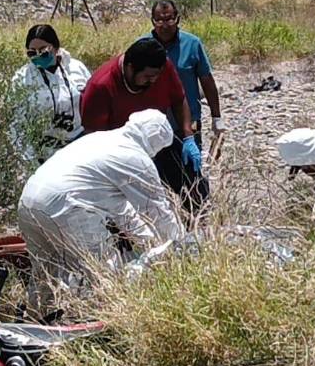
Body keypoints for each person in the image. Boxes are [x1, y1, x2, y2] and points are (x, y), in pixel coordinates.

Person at [17, 109, 184, 315]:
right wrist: (178, 246)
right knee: (99, 271)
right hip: (66, 207)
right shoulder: (136, 158)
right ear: (156, 143)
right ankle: (96, 326)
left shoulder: (101, 139)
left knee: (44, 272)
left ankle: (37, 325)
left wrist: (147, 239)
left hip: (28, 200)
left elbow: (121, 209)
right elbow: (157, 211)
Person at [80, 38, 207, 214]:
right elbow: (93, 139)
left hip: (157, 140)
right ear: (130, 68)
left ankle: (195, 227)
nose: (154, 81)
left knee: (195, 183)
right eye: (147, 77)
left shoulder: (161, 67)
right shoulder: (100, 86)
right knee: (139, 206)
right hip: (121, 155)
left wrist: (188, 137)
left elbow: (178, 100)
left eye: (156, 76)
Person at [141, 0, 224, 148]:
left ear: (177, 19)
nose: (165, 25)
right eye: (159, 20)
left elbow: (207, 81)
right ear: (152, 21)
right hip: (153, 125)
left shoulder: (192, 44)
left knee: (191, 169)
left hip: (189, 123)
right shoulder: (142, 46)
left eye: (169, 19)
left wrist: (216, 117)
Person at [11, 24, 92, 162]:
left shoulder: (77, 68)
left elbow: (92, 103)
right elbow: (17, 124)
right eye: (32, 53)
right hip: (44, 152)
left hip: (79, 146)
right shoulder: (22, 79)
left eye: (43, 51)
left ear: (55, 48)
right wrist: (30, 162)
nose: (38, 56)